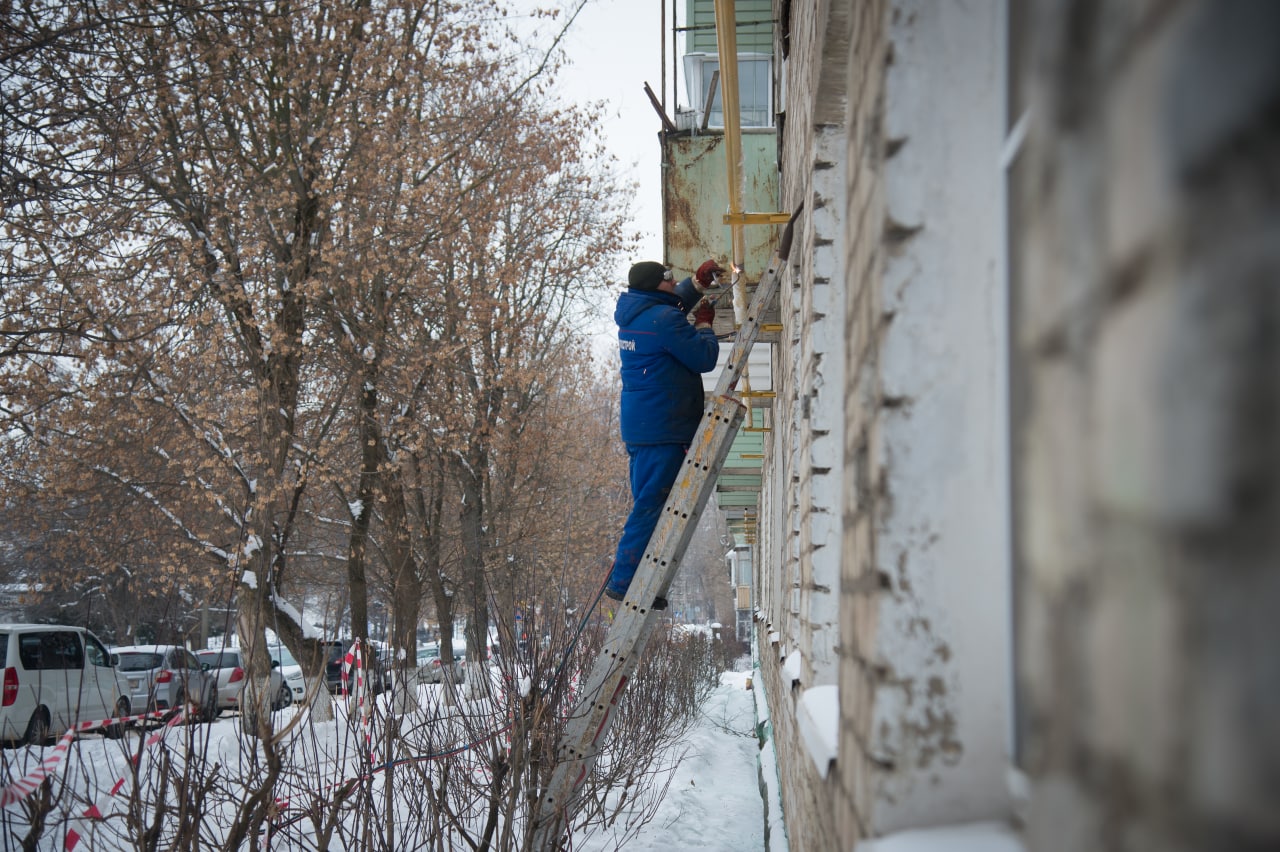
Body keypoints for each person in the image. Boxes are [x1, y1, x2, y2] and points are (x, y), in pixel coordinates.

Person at [605, 259, 725, 608]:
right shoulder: (663, 320)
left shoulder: (637, 313)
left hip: (646, 427)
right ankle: (624, 582)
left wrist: (697, 285)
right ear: (657, 284)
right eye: (670, 279)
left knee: (651, 504)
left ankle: (638, 582)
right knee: (649, 507)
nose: (675, 284)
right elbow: (704, 358)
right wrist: (703, 326)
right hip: (663, 427)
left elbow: (667, 311)